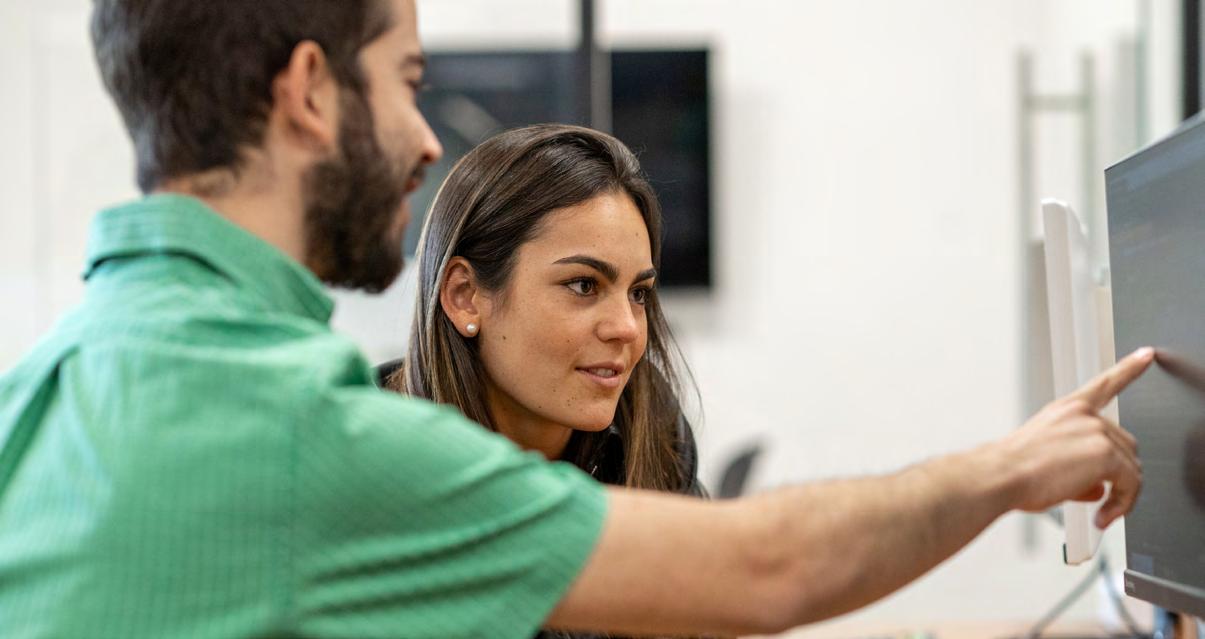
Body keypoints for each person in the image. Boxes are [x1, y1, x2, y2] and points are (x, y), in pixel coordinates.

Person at [0, 0, 1153, 637]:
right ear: (308, 92)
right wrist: (1011, 466)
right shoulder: (302, 431)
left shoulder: (39, 394)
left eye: (634, 292)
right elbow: (767, 569)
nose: (422, 138)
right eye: (406, 80)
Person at [381, 124, 705, 500]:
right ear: (464, 296)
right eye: (584, 285)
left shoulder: (650, 427)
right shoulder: (370, 462)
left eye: (638, 294)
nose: (627, 328)